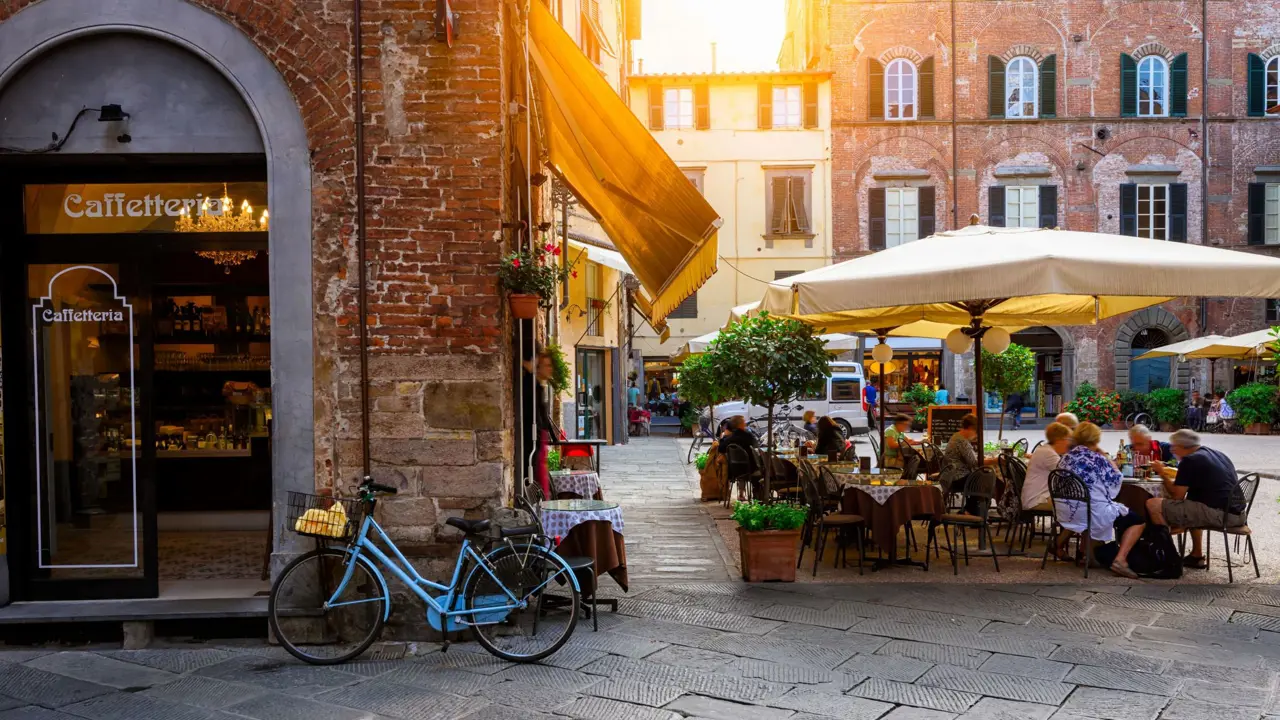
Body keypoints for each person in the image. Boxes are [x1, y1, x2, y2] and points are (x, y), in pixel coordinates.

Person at [1144, 429, 1244, 569]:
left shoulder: (1190, 460)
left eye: (1174, 447)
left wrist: (1161, 473)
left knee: (1153, 504)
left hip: (1221, 515)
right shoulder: (1218, 454)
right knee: (1192, 501)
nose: (1172, 450)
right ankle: (1196, 555)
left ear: (1183, 446)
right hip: (1237, 513)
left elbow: (1176, 497)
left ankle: (1168, 557)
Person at [1056, 422, 1145, 578]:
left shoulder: (1066, 457)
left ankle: (1089, 555)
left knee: (1094, 504)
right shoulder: (1098, 459)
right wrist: (1108, 460)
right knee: (1138, 521)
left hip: (1067, 511)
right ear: (1096, 439)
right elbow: (1114, 484)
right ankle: (1120, 559)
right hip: (1090, 512)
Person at [524, 349, 560, 501]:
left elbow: (543, 416)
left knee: (542, 476)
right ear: (538, 367)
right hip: (535, 438)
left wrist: (553, 436)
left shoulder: (539, 387)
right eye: (546, 365)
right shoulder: (532, 385)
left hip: (540, 436)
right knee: (539, 477)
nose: (550, 369)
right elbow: (537, 415)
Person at [1023, 422, 1071, 511]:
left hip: (1037, 497)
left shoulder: (1045, 450)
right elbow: (1068, 475)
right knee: (1076, 504)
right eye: (1067, 439)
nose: (1069, 443)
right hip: (1037, 500)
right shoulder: (1049, 454)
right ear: (1059, 440)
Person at [719, 415, 761, 500]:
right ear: (741, 425)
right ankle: (758, 496)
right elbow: (756, 445)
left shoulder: (729, 438)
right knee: (762, 471)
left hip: (733, 470)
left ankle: (742, 493)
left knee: (742, 465)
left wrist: (723, 437)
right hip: (749, 469)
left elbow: (720, 448)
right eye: (744, 422)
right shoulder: (748, 436)